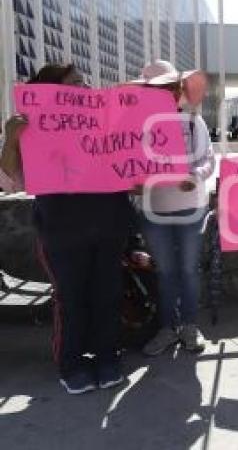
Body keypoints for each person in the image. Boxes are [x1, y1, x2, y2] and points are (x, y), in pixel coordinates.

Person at [0, 64, 132, 394]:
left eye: (83, 82)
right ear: (52, 93)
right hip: (62, 232)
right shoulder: (35, 131)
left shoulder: (106, 123)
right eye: (74, 84)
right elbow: (10, 179)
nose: (84, 87)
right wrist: (11, 139)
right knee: (71, 301)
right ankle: (71, 364)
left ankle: (106, 357)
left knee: (107, 296)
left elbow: (131, 169)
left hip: (109, 226)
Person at [138, 61, 215, 357]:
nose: (169, 92)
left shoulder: (194, 121)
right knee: (166, 272)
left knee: (187, 270)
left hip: (190, 207)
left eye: (172, 86)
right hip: (153, 207)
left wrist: (194, 177)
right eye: (160, 87)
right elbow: (126, 162)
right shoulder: (137, 124)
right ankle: (167, 328)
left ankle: (189, 325)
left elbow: (208, 159)